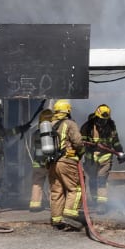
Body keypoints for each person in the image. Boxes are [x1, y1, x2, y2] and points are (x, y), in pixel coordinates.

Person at [46, 99, 85, 231]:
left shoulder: (50, 124)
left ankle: (57, 220)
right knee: (75, 188)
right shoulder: (70, 123)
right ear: (67, 110)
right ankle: (70, 217)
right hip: (67, 161)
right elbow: (78, 142)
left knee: (57, 191)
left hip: (52, 163)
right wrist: (80, 153)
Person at [80, 104, 125, 209]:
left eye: (105, 120)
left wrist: (121, 153)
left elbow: (116, 142)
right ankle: (95, 200)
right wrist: (89, 146)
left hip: (105, 158)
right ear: (96, 117)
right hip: (90, 159)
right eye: (101, 120)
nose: (103, 123)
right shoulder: (86, 127)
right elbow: (80, 143)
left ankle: (102, 204)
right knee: (92, 180)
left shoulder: (111, 126)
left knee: (101, 180)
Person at [26, 108, 54, 212]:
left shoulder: (35, 134)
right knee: (53, 184)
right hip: (50, 163)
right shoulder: (53, 134)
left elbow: (33, 146)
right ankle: (54, 205)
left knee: (37, 183)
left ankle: (35, 204)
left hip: (38, 163)